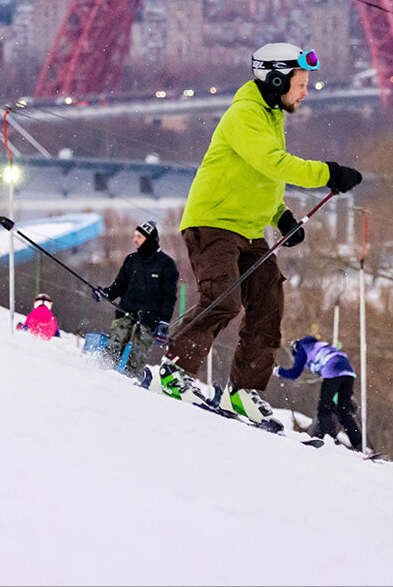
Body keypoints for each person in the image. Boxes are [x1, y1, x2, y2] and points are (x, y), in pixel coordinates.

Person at [148, 42, 364, 427]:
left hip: (247, 229)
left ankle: (242, 392)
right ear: (276, 79)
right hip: (213, 223)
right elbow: (274, 163)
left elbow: (261, 178)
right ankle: (172, 371)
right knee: (224, 298)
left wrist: (280, 217)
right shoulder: (245, 114)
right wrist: (328, 173)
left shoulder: (270, 117)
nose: (305, 91)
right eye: (300, 83)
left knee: (268, 302)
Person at [93, 220, 179, 377]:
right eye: (135, 236)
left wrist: (164, 322)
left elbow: (169, 297)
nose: (135, 240)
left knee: (138, 356)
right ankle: (103, 375)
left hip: (150, 318)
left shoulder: (166, 265)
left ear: (149, 239)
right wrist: (106, 293)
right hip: (126, 311)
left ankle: (130, 383)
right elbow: (119, 285)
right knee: (114, 345)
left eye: (139, 236)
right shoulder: (131, 260)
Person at [275, 335, 364, 451]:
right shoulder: (319, 345)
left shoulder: (302, 347)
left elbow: (294, 373)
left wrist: (278, 371)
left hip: (333, 370)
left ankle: (325, 438)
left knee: (324, 408)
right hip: (349, 371)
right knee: (344, 411)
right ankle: (359, 444)